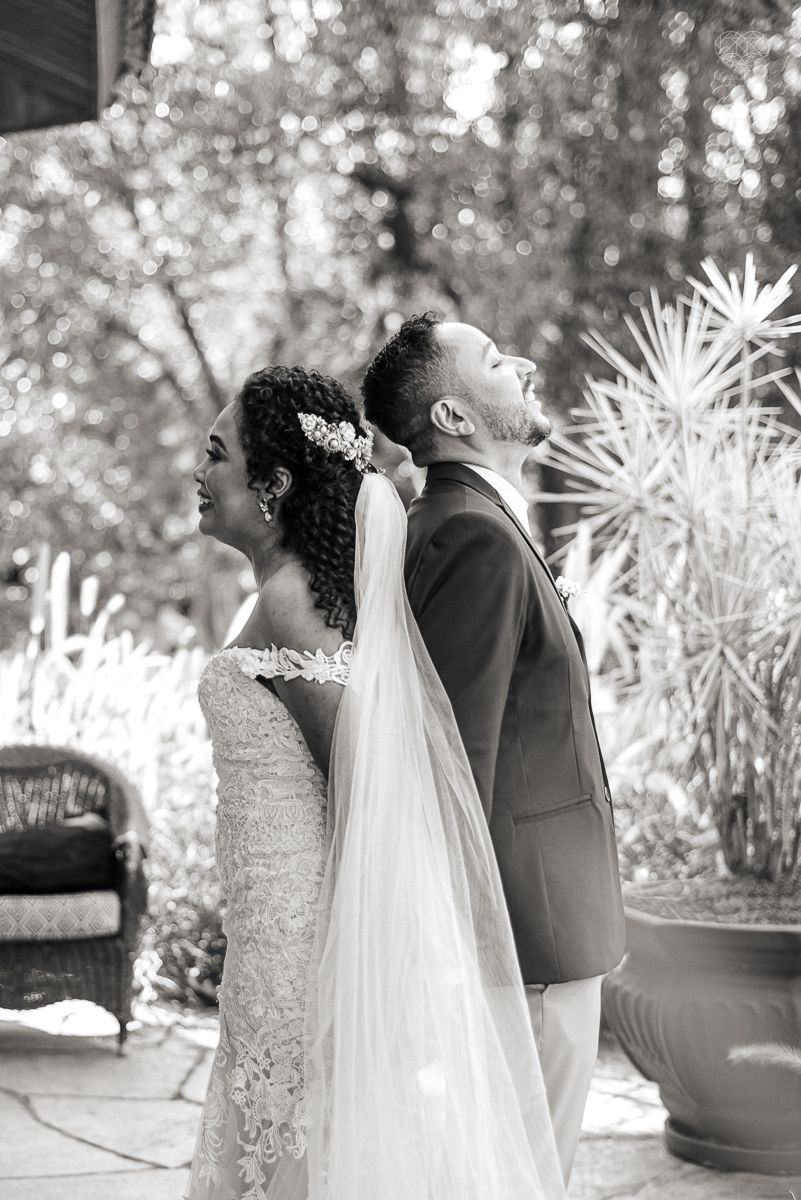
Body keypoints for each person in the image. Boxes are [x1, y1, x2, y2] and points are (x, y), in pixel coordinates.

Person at [185, 365, 564, 1200]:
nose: (199, 473)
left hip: (305, 936)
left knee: (306, 1136)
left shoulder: (292, 606)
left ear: (274, 483)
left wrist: (369, 963)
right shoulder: (280, 597)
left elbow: (368, 783)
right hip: (268, 922)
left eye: (217, 455)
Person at [362, 312, 626, 1187]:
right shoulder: (469, 534)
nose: (516, 361)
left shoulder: (476, 521)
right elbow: (449, 763)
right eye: (488, 359)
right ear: (452, 417)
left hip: (542, 928)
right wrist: (460, 949)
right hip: (525, 936)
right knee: (524, 1175)